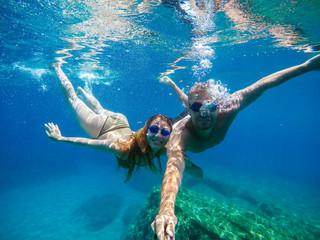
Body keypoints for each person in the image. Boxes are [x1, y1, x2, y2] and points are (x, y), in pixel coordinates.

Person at [152, 54, 320, 239]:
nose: (205, 114)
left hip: (194, 132)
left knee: (194, 169)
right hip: (178, 137)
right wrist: (166, 209)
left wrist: (307, 66)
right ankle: (172, 92)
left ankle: (189, 162)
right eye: (198, 108)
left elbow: (263, 83)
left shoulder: (229, 108)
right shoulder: (181, 134)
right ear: (190, 110)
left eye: (210, 107)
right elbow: (173, 165)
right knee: (162, 150)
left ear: (218, 106)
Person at [46, 63, 173, 181]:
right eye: (154, 130)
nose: (158, 136)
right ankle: (57, 67)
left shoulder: (162, 146)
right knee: (73, 100)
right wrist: (60, 138)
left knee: (99, 108)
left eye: (164, 132)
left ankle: (84, 94)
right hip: (102, 127)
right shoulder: (122, 149)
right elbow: (88, 143)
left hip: (122, 121)